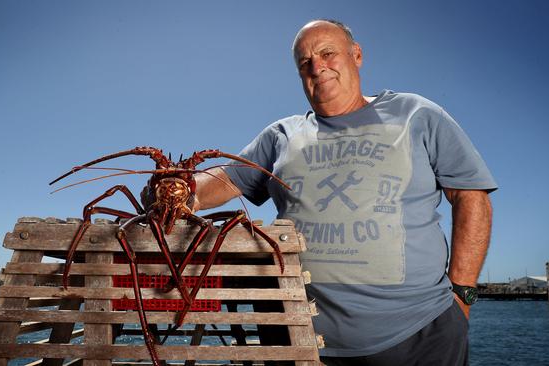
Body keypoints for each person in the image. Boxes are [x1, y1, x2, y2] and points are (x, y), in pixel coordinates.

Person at [191, 19, 497, 365]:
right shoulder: (282, 135)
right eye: (304, 62)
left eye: (327, 53)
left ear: (357, 55)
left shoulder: (417, 114)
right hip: (303, 338)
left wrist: (462, 295)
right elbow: (221, 181)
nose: (317, 66)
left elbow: (471, 196)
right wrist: (178, 189)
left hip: (421, 334)